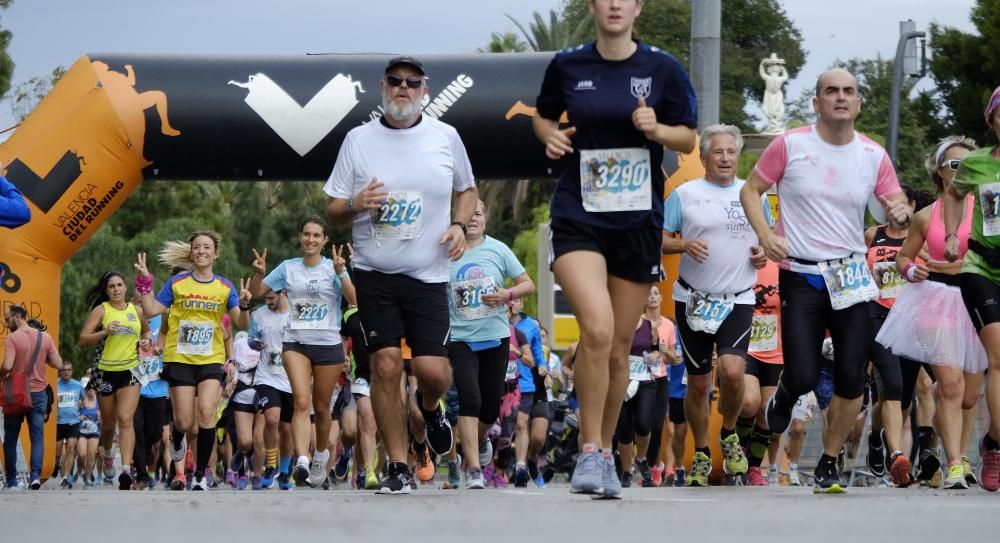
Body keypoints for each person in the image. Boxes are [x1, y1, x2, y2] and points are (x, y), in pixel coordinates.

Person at [532, 0, 697, 498]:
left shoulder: (662, 68)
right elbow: (541, 117)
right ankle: (587, 451)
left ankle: (605, 452)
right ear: (594, 6)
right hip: (579, 213)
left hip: (636, 220)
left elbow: (688, 138)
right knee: (597, 330)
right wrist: (552, 136)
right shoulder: (568, 64)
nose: (615, 5)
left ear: (637, 7)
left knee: (620, 345)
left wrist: (656, 130)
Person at [741, 67, 910, 494]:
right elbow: (750, 190)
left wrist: (900, 212)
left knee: (853, 377)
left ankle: (829, 464)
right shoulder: (790, 145)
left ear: (858, 103)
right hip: (801, 273)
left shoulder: (873, 155)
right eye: (831, 91)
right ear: (816, 102)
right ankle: (784, 395)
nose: (840, 97)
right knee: (802, 375)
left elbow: (895, 201)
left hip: (851, 275)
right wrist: (766, 234)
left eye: (848, 91)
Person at [324, 55, 478, 494]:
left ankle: (430, 411)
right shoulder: (358, 140)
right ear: (383, 88)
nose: (403, 89)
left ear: (424, 90)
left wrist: (459, 225)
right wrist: (356, 203)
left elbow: (467, 189)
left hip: (429, 274)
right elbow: (332, 208)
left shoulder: (446, 137)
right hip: (376, 273)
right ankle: (396, 465)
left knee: (432, 371)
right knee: (386, 366)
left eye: (413, 82)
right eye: (395, 81)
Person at [662, 124, 770, 486]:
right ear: (704, 157)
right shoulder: (685, 194)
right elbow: (656, 237)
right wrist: (683, 246)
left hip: (738, 296)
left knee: (733, 371)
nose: (725, 158)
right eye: (718, 152)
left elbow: (767, 240)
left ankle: (728, 432)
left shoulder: (752, 194)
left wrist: (760, 253)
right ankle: (702, 455)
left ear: (739, 157)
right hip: (692, 299)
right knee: (696, 385)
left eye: (731, 152)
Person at [877, 136, 986, 490]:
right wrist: (911, 270)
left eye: (970, 164)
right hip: (935, 299)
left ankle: (957, 451)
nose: (963, 171)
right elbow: (903, 256)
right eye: (955, 165)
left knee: (969, 394)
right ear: (939, 172)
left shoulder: (989, 209)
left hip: (978, 297)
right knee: (950, 385)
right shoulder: (927, 215)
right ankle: (955, 463)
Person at [133, 232, 252, 490]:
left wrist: (243, 306)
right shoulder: (177, 283)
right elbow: (152, 310)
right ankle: (177, 437)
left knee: (207, 414)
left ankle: (199, 474)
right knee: (185, 422)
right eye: (196, 247)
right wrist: (145, 284)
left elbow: (242, 324)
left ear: (215, 253)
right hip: (180, 358)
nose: (201, 251)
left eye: (206, 247)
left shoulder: (225, 287)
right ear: (191, 252)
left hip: (211, 358)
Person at [248, 219, 354, 488]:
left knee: (321, 408)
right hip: (296, 343)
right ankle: (303, 460)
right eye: (306, 234)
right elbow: (258, 291)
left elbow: (354, 299)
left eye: (316, 235)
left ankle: (320, 455)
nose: (310, 239)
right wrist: (259, 272)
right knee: (301, 400)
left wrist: (342, 273)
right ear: (300, 237)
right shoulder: (288, 268)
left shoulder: (333, 267)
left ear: (324, 240)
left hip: (328, 344)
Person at [446, 200, 534, 489]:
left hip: (495, 337)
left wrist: (506, 294)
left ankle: (481, 438)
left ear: (485, 219)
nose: (472, 219)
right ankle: (472, 467)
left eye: (478, 214)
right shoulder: (445, 250)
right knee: (469, 399)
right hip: (460, 338)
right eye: (467, 215)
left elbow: (527, 284)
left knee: (489, 408)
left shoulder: (498, 249)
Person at [942, 87, 1000, 493]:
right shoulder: (977, 163)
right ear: (991, 119)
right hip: (981, 267)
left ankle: (992, 443)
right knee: (998, 358)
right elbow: (953, 193)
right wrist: (950, 233)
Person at [862, 185, 918, 487]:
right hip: (877, 316)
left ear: (911, 205)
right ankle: (896, 454)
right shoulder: (872, 235)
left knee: (903, 394)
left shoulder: (919, 236)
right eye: (888, 203)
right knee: (892, 385)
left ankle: (877, 436)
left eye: (900, 202)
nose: (893, 207)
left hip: (910, 319)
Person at [78, 270, 152, 490]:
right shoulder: (101, 310)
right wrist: (104, 332)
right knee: (109, 424)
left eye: (120, 285)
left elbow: (146, 333)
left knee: (125, 419)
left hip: (130, 370)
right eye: (111, 286)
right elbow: (82, 340)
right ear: (106, 290)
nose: (116, 289)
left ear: (126, 287)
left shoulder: (136, 311)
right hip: (105, 372)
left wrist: (146, 343)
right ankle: (108, 452)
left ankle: (127, 470)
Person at [1, 306, 63, 490]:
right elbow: (58, 363)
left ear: (18, 317)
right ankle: (34, 475)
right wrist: (42, 357)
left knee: (11, 438)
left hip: (17, 394)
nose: (6, 323)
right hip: (38, 393)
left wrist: (1, 373)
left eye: (7, 319)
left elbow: (7, 366)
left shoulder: (12, 338)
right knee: (37, 437)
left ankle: (12, 481)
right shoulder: (45, 337)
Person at [739, 256, 783, 486]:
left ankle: (754, 467)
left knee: (767, 413)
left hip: (775, 348)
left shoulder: (785, 263)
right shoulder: (742, 259)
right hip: (745, 346)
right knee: (748, 402)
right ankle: (737, 455)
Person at [248, 289, 296, 491]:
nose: (267, 302)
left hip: (291, 377)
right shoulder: (259, 315)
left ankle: (284, 472)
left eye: (271, 298)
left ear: (283, 293)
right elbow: (251, 339)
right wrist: (255, 344)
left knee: (286, 428)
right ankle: (270, 466)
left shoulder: (295, 313)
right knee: (271, 420)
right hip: (266, 376)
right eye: (265, 299)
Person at [508, 298, 549, 487]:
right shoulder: (496, 323)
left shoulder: (531, 326)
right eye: (508, 300)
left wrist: (543, 366)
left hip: (529, 382)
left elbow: (538, 353)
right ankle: (517, 466)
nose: (511, 304)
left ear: (522, 304)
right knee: (515, 426)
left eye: (515, 300)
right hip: (504, 381)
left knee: (535, 434)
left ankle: (528, 461)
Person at [639, 286, 677, 487]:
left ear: (661, 298)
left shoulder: (669, 325)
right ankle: (635, 463)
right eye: (648, 294)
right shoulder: (638, 323)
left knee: (657, 426)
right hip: (639, 378)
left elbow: (674, 359)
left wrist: (664, 352)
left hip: (660, 378)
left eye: (655, 293)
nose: (652, 297)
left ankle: (654, 469)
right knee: (640, 424)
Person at [55, 363, 84, 488]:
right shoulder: (54, 383)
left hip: (73, 422)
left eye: (68, 370)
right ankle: (56, 464)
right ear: (60, 371)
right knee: (57, 452)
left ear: (72, 371)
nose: (66, 372)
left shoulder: (77, 385)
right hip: (57, 423)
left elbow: (85, 400)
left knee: (71, 448)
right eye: (63, 370)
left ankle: (65, 477)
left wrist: (82, 411)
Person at [77, 385, 101, 486]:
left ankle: (87, 477)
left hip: (94, 432)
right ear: (85, 390)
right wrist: (81, 417)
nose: (91, 390)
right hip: (82, 432)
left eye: (93, 388)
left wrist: (100, 417)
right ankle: (84, 470)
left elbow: (104, 417)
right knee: (82, 454)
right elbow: (73, 415)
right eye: (89, 388)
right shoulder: (81, 402)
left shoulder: (99, 402)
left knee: (91, 456)